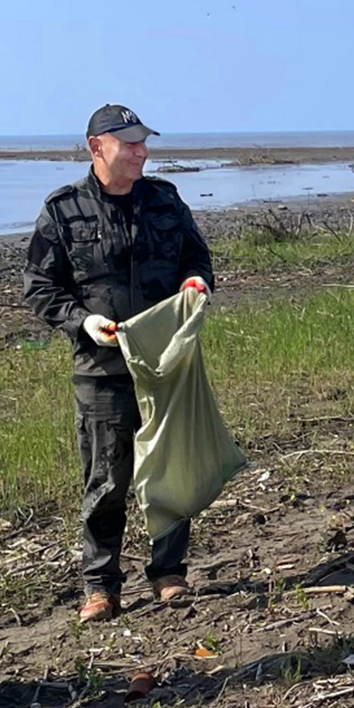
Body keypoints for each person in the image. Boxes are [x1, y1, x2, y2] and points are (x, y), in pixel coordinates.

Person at [24, 104, 216, 622]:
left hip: (165, 363)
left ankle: (169, 572)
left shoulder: (165, 200)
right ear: (96, 147)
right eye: (129, 143)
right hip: (101, 371)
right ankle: (100, 584)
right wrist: (81, 321)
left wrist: (196, 284)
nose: (141, 152)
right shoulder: (63, 210)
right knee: (106, 479)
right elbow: (41, 288)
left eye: (143, 142)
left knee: (168, 470)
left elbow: (197, 261)